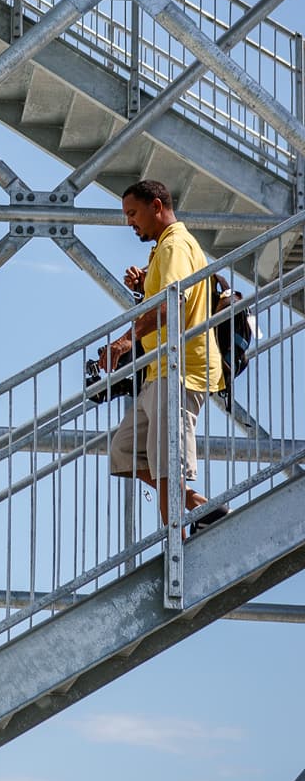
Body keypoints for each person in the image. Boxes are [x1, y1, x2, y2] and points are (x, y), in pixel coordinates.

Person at [99, 179, 229, 536]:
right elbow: (168, 294)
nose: (129, 222)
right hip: (161, 370)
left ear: (156, 206)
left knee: (167, 463)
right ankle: (199, 507)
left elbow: (173, 305)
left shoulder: (174, 245)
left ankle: (176, 547)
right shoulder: (163, 249)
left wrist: (126, 341)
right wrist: (144, 285)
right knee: (124, 452)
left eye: (133, 213)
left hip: (180, 370)